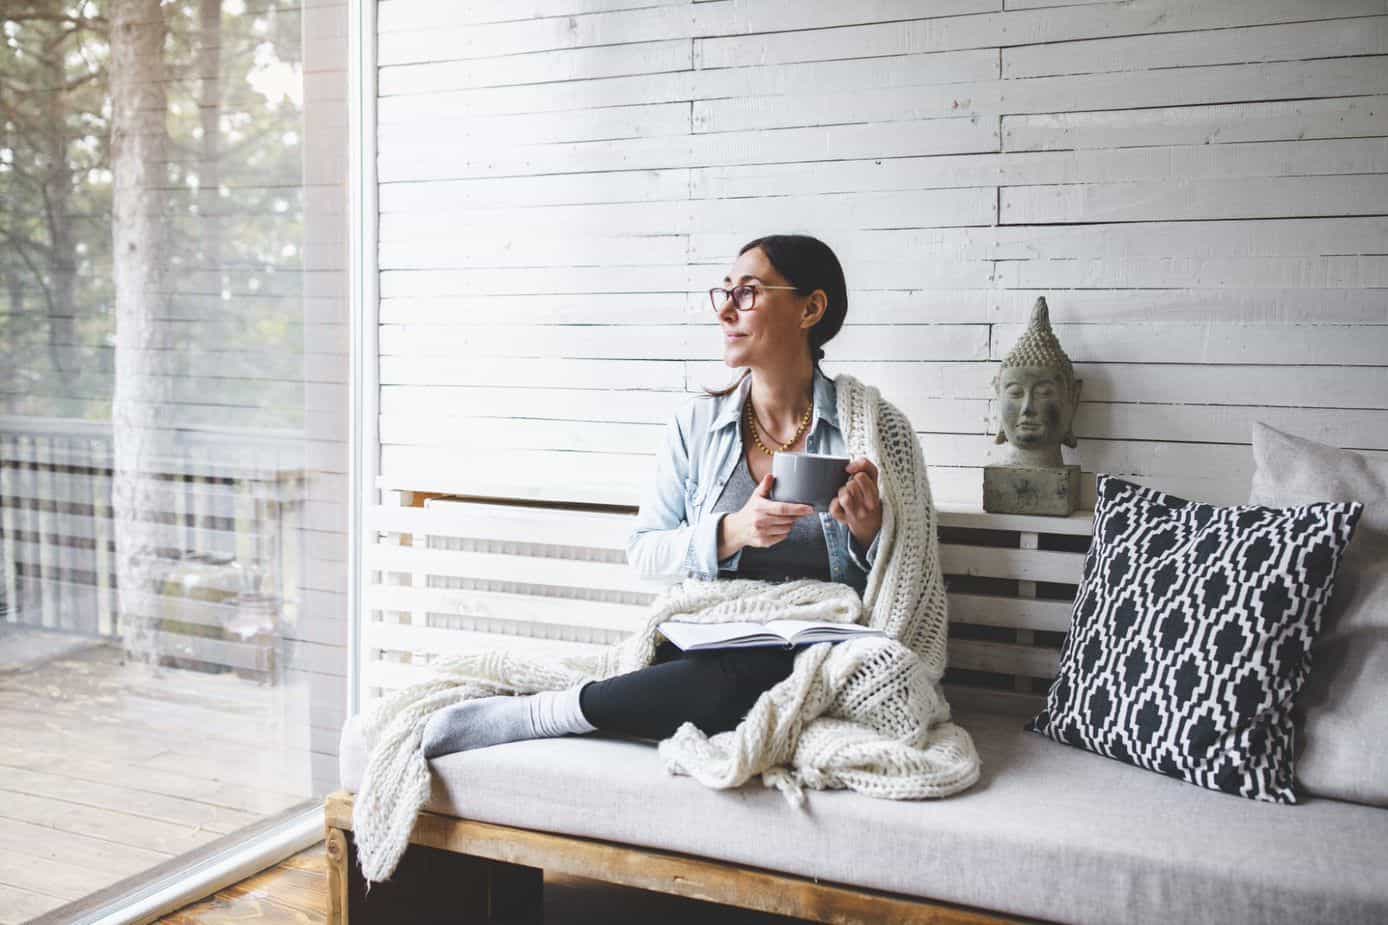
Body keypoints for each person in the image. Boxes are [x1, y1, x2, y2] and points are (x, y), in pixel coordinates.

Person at [421, 234, 885, 758]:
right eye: (725, 292)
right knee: (727, 673)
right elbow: (645, 552)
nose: (727, 311)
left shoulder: (869, 429)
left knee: (763, 673)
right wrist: (734, 532)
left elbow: (902, 587)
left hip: (820, 646)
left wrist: (868, 536)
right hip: (712, 637)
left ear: (811, 308)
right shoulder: (696, 426)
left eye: (749, 293)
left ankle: (556, 712)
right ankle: (558, 710)